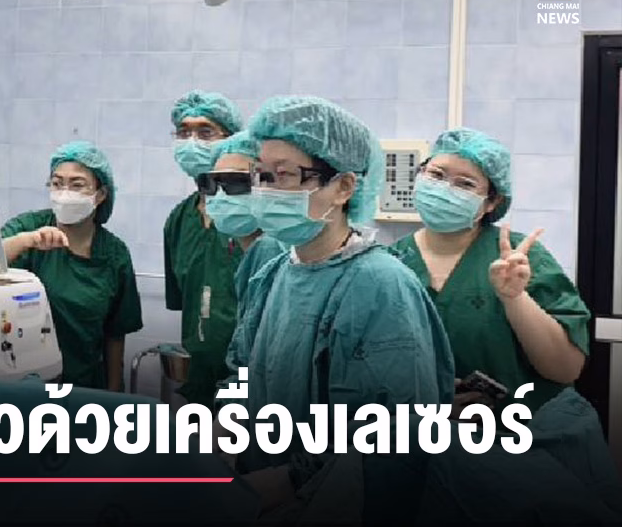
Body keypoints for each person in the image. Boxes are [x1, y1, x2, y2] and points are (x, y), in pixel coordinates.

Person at [218, 96, 455, 513]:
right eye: (261, 175)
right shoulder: (272, 273)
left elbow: (392, 432)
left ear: (344, 187)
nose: (266, 191)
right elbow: (241, 372)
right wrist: (224, 440)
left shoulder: (381, 286)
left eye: (285, 175)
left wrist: (291, 480)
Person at [389, 128, 591, 414]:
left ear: (491, 202)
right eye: (436, 174)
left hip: (522, 432)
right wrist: (429, 405)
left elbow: (565, 369)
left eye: (465, 184)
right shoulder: (390, 263)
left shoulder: (521, 259)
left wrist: (515, 298)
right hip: (418, 432)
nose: (444, 189)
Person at [1, 141, 143, 392]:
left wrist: (113, 395)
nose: (65, 193)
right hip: (25, 384)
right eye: (57, 183)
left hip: (83, 384)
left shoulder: (114, 254)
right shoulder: (30, 228)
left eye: (77, 185)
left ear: (100, 194)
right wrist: (27, 240)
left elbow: (115, 333)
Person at [162, 90, 246, 408]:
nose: (192, 141)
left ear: (232, 140)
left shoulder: (253, 218)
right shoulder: (179, 220)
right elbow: (188, 304)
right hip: (197, 379)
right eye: (184, 132)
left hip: (250, 381)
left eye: (205, 132)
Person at [199, 130, 288, 305]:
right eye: (212, 182)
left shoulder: (272, 251)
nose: (221, 194)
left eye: (237, 181)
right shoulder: (245, 252)